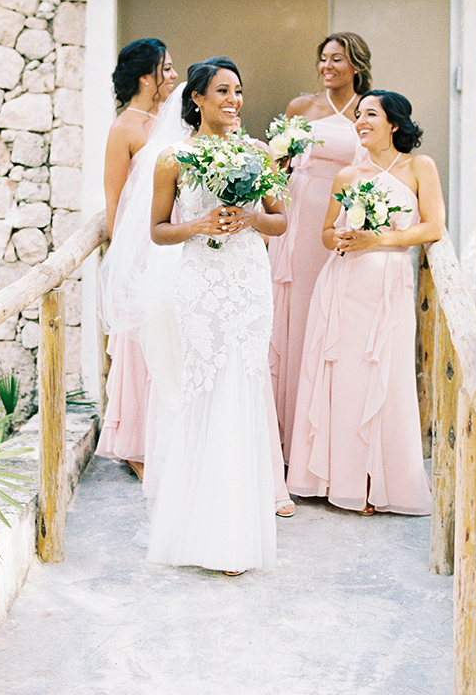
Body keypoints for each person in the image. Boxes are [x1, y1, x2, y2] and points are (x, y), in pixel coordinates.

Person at [146, 58, 287, 574]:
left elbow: (281, 222)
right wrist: (198, 223)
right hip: (200, 285)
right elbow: (157, 229)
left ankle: (236, 539)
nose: (234, 100)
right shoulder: (173, 158)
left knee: (243, 390)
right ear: (198, 98)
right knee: (204, 391)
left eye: (239, 90)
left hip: (249, 284)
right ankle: (197, 532)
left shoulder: (257, 152)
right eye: (222, 91)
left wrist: (250, 217)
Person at [287, 91, 445, 516]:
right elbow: (324, 232)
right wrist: (338, 238)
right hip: (342, 286)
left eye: (370, 114)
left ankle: (378, 481)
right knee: (343, 379)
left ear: (394, 123)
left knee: (385, 380)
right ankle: (340, 480)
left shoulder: (419, 167)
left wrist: (382, 240)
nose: (360, 120)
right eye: (358, 115)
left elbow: (433, 227)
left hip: (388, 287)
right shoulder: (347, 175)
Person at [268, 32, 372, 461]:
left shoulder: (371, 107)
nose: (328, 67)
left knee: (337, 321)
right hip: (302, 215)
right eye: (323, 59)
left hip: (346, 216)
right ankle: (285, 439)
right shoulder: (301, 107)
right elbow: (277, 167)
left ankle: (331, 442)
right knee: (297, 314)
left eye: (337, 59)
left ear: (356, 64)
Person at [96, 39, 178, 480]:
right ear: (146, 76)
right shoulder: (124, 128)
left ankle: (171, 437)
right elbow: (115, 201)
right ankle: (137, 447)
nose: (173, 74)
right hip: (139, 248)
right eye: (166, 67)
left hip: (173, 239)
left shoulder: (176, 120)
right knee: (139, 345)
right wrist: (123, 260)